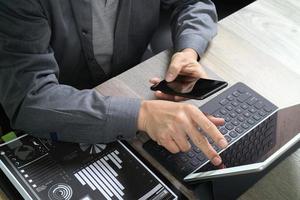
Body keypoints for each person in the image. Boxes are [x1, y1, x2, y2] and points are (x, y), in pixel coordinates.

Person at [0, 0, 227, 166]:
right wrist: (142, 115)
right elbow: (29, 97)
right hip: (63, 117)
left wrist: (188, 51)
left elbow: (194, 3)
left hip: (128, 89)